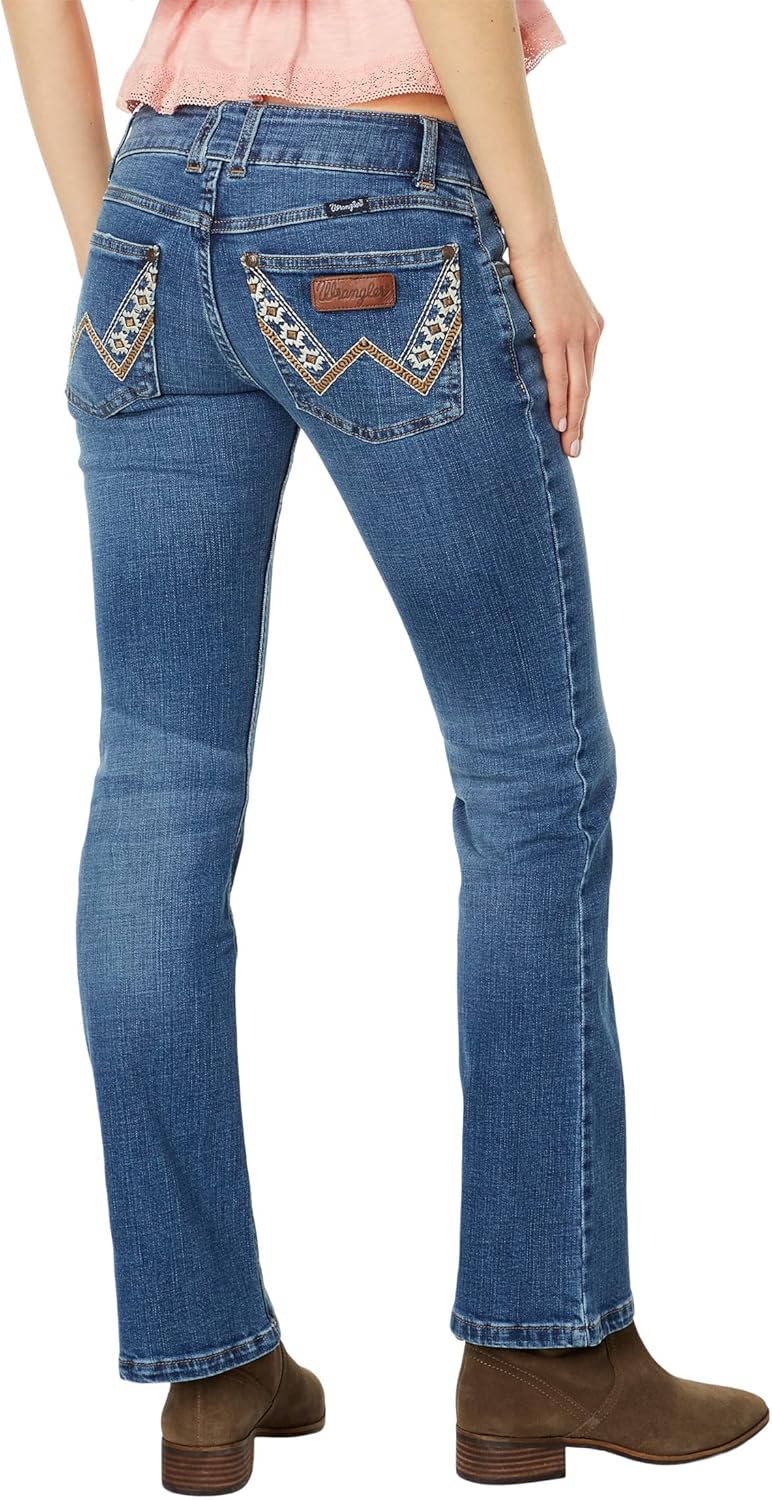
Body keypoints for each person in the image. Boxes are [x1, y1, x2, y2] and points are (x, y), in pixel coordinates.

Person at [3, 0, 767, 1491]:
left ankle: (208, 1367)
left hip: (150, 208)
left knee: (158, 784)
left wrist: (115, 252)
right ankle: (547, 1345)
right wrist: (537, 241)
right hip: (374, 204)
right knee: (531, 779)